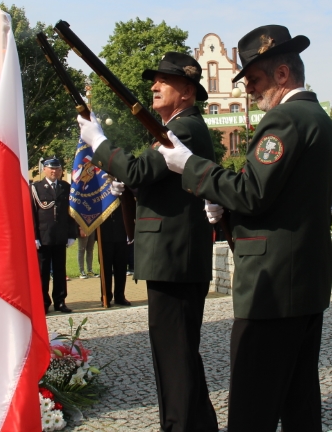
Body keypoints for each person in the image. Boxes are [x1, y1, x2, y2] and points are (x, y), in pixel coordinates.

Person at [156, 25, 332, 431]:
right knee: (299, 403)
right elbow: (284, 204)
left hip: (272, 285)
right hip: (304, 279)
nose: (250, 91)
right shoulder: (319, 119)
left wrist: (190, 166)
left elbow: (253, 191)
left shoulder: (286, 120)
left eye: (255, 80)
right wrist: (228, 212)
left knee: (251, 409)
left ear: (282, 75)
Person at [77, 51, 219, 432]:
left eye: (164, 81)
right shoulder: (177, 127)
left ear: (187, 91)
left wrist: (98, 142)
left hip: (175, 258)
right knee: (179, 354)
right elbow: (147, 177)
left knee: (174, 357)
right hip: (174, 256)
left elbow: (138, 168)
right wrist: (134, 184)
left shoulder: (184, 128)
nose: (154, 86)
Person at [31, 157, 78, 313]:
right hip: (43, 237)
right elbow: (32, 214)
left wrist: (72, 234)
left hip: (60, 236)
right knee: (42, 272)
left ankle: (60, 301)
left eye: (57, 169)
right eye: (51, 168)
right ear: (44, 169)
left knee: (60, 271)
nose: (54, 171)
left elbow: (71, 213)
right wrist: (34, 236)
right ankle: (43, 302)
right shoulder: (36, 188)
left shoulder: (66, 187)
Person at [97, 189, 130, 307]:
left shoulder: (123, 186)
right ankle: (106, 296)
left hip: (121, 233)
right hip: (105, 235)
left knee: (121, 268)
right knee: (105, 269)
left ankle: (120, 296)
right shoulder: (99, 188)